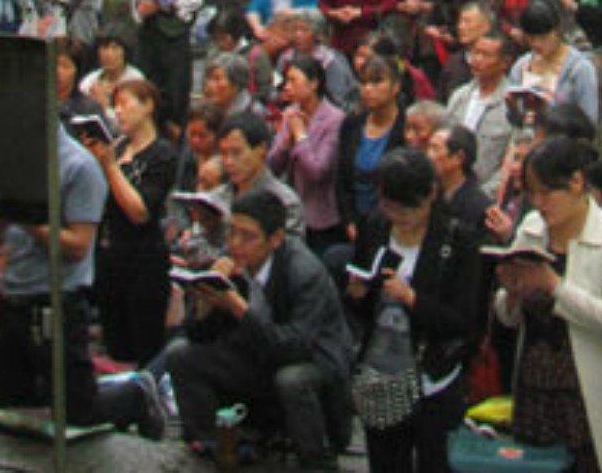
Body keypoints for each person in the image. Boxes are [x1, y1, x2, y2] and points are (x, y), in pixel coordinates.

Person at [0, 106, 163, 438]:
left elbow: (78, 243)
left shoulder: (79, 168)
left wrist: (31, 222)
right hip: (13, 294)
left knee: (78, 409)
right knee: (9, 401)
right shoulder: (14, 161)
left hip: (56, 299)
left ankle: (134, 395)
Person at [494, 136, 602, 473]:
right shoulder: (533, 228)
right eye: (531, 194)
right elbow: (508, 318)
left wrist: (555, 287)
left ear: (577, 182)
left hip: (591, 392)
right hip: (534, 388)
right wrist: (512, 292)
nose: (539, 203)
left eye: (548, 193)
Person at [164, 191, 354, 469]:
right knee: (181, 354)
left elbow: (293, 347)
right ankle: (209, 445)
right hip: (257, 357)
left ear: (275, 238)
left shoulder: (304, 271)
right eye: (232, 233)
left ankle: (317, 461)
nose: (236, 244)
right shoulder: (233, 262)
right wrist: (206, 303)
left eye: (248, 237)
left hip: (313, 365)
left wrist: (239, 308)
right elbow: (198, 334)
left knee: (291, 379)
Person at [342, 149, 483, 472]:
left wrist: (412, 299)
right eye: (390, 206)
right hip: (381, 373)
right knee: (385, 460)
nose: (399, 216)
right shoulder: (375, 226)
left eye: (408, 208)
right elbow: (359, 307)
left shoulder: (457, 240)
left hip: (432, 375)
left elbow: (464, 321)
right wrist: (357, 293)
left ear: (431, 194)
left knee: (434, 461)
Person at [85, 78, 178, 366]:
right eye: (115, 106)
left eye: (126, 104)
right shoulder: (117, 147)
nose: (119, 112)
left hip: (144, 261)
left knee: (145, 347)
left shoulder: (162, 153)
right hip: (109, 255)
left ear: (148, 106)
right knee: (115, 346)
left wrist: (110, 166)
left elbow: (139, 212)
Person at [269, 57, 349, 256]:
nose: (287, 87)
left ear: (314, 84)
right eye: (286, 81)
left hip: (322, 218)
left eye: (294, 81)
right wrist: (287, 142)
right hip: (293, 213)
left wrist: (301, 136)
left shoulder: (335, 119)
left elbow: (318, 170)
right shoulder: (290, 114)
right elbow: (272, 166)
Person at [338, 56, 410, 243]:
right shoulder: (352, 124)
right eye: (364, 82)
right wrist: (349, 221)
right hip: (355, 224)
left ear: (396, 86)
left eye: (377, 82)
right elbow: (341, 179)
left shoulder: (407, 128)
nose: (368, 89)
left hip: (394, 226)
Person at [510, 0, 601, 129]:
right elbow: (516, 123)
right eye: (531, 38)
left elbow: (589, 121)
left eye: (543, 37)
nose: (536, 44)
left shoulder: (580, 69)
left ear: (558, 31)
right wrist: (513, 107)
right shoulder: (521, 66)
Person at [444, 31, 517, 189]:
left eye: (485, 55)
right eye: (475, 53)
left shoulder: (513, 103)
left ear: (505, 62)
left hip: (487, 193)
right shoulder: (459, 96)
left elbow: (510, 160)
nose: (477, 60)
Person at [216, 113, 306, 239]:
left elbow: (287, 253)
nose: (228, 161)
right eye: (224, 153)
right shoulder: (216, 197)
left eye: (237, 153)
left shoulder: (285, 202)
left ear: (261, 150)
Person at [427, 123, 491, 231]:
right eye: (428, 148)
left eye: (435, 149)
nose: (428, 155)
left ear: (458, 158)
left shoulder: (478, 206)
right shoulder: (425, 193)